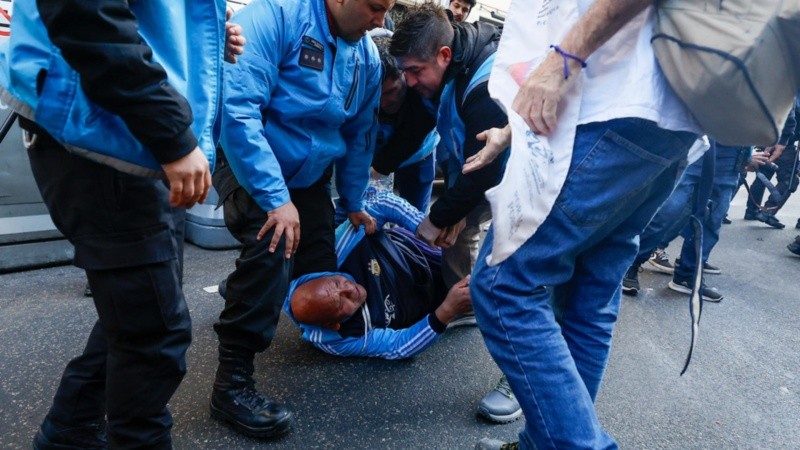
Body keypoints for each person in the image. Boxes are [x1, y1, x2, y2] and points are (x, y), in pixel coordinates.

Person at [0, 1, 240, 448]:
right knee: (153, 334)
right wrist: (172, 133)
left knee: (136, 317)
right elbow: (84, 12)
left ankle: (68, 432)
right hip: (104, 130)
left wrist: (206, 43)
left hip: (128, 133)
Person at [470, 0, 700, 448]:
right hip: (665, 116)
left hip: (610, 106)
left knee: (505, 285)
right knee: (589, 295)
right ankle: (545, 442)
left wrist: (562, 59)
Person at [211, 0, 391, 438]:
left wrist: (352, 200)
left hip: (309, 176)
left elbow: (358, 133)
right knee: (275, 245)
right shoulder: (274, 17)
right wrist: (275, 199)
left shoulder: (366, 56)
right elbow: (237, 110)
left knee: (319, 262)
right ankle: (231, 383)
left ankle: (244, 291)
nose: (381, 22)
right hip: (246, 159)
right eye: (374, 8)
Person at [390, 4, 521, 425]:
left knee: (510, 276)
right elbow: (417, 133)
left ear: (444, 56)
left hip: (528, 183)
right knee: (456, 231)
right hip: (481, 169)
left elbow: (489, 167)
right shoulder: (444, 72)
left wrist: (440, 214)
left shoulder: (484, 86)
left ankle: (522, 377)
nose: (408, 82)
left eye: (414, 71)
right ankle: (463, 303)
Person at [284, 188, 472, 359]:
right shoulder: (334, 339)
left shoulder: (334, 251)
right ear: (333, 324)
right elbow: (395, 346)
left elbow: (380, 202)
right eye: (343, 301)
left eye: (337, 283)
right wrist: (447, 311)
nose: (350, 289)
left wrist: (423, 226)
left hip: (420, 252)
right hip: (432, 302)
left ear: (325, 275)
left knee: (467, 223)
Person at [622, 144, 767, 302]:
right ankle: (629, 265)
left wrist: (746, 155)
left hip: (730, 158)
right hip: (698, 147)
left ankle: (687, 276)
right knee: (668, 213)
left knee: (711, 221)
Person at [370, 33, 438, 213]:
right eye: (379, 95)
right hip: (376, 144)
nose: (385, 102)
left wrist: (378, 169)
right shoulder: (360, 80)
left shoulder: (424, 89)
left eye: (392, 91)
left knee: (414, 213)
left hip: (419, 151)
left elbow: (411, 135)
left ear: (405, 74)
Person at [744, 100, 799, 229]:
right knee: (789, 179)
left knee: (764, 173)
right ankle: (767, 212)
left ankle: (752, 210)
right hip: (784, 142)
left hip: (768, 136)